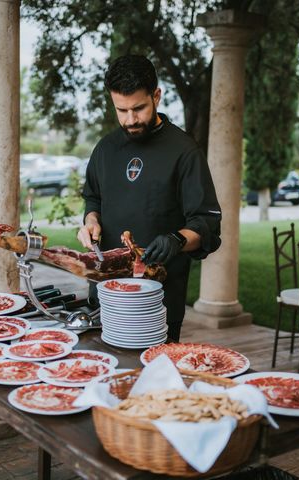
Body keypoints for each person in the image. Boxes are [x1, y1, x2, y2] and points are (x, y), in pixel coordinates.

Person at [77, 55, 222, 341]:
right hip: (105, 293)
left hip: (157, 302)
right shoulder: (105, 149)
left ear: (156, 95)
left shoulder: (184, 151)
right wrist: (91, 220)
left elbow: (207, 223)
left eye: (139, 108)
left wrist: (176, 239)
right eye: (121, 110)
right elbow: (92, 198)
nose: (130, 120)